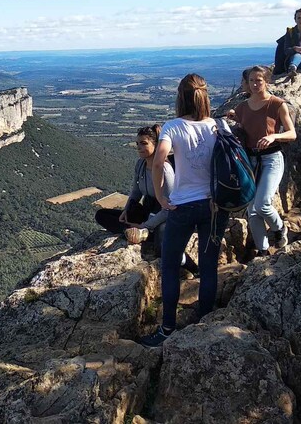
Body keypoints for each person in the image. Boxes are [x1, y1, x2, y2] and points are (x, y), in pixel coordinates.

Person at [138, 74, 229, 347]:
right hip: (214, 205)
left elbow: (158, 161)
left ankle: (167, 327)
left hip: (183, 205)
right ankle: (204, 319)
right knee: (209, 264)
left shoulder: (173, 126)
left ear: (180, 97)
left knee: (169, 264)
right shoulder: (217, 125)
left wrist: (161, 196)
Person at [94, 125, 199, 273]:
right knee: (101, 215)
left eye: (144, 143)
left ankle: (193, 268)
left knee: (162, 248)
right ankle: (140, 233)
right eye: (137, 143)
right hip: (148, 210)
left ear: (155, 145)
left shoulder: (165, 169)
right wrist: (126, 210)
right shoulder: (141, 164)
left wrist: (145, 226)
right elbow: (136, 192)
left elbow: (169, 208)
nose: (139, 147)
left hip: (167, 216)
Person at [228, 65, 297, 257]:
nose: (255, 84)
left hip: (272, 158)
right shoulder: (242, 107)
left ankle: (280, 228)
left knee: (263, 203)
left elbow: (292, 133)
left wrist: (274, 137)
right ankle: (263, 249)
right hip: (250, 160)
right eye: (251, 80)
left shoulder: (277, 104)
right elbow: (245, 129)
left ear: (267, 81)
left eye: (259, 80)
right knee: (252, 209)